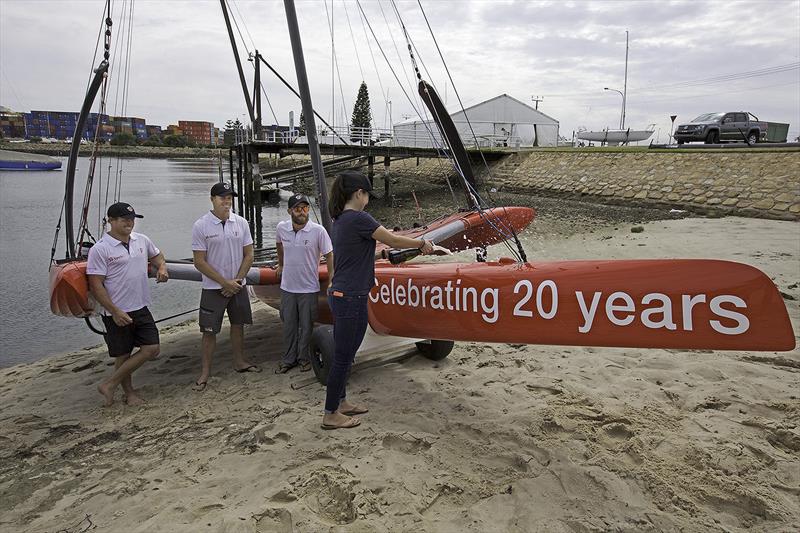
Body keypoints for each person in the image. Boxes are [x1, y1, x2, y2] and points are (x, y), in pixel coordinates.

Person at [322, 170, 434, 430]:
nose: (368, 200)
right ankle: (330, 413)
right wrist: (420, 244)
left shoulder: (340, 220)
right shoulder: (358, 218)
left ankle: (341, 402)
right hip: (349, 296)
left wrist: (381, 256)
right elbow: (392, 238)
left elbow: (356, 256)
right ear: (359, 194)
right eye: (367, 195)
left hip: (348, 294)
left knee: (348, 353)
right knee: (342, 356)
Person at [86, 202, 169, 406]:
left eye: (132, 219)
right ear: (111, 221)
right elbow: (96, 285)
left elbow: (157, 255)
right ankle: (129, 393)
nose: (129, 223)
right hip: (116, 310)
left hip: (140, 305)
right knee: (123, 354)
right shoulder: (100, 249)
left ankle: (109, 383)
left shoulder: (141, 240)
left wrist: (162, 267)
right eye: (124, 219)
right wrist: (114, 311)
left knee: (152, 348)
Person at [191, 182, 260, 391]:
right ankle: (205, 372)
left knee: (238, 325)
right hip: (214, 287)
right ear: (212, 199)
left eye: (229, 197)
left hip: (237, 285)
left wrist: (236, 281)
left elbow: (249, 255)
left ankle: (240, 361)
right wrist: (224, 282)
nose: (226, 201)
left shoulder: (241, 223)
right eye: (222, 197)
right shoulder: (201, 226)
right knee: (209, 330)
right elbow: (199, 261)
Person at [275, 193, 334, 374]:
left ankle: (303, 358)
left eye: (305, 208)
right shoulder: (281, 228)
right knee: (289, 325)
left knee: (307, 325)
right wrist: (281, 263)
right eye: (298, 209)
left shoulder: (318, 231)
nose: (302, 212)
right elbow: (279, 245)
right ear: (289, 211)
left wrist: (331, 279)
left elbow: (330, 254)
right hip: (287, 286)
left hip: (308, 287)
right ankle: (288, 359)